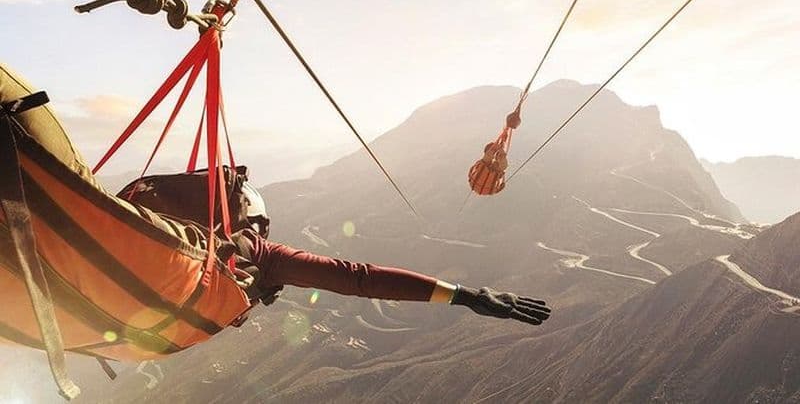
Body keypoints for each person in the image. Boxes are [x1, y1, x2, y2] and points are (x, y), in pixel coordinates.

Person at [0, 62, 551, 327]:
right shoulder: (253, 258)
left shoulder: (160, 220)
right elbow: (356, 277)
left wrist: (465, 294)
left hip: (79, 241)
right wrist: (465, 294)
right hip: (86, 268)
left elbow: (357, 276)